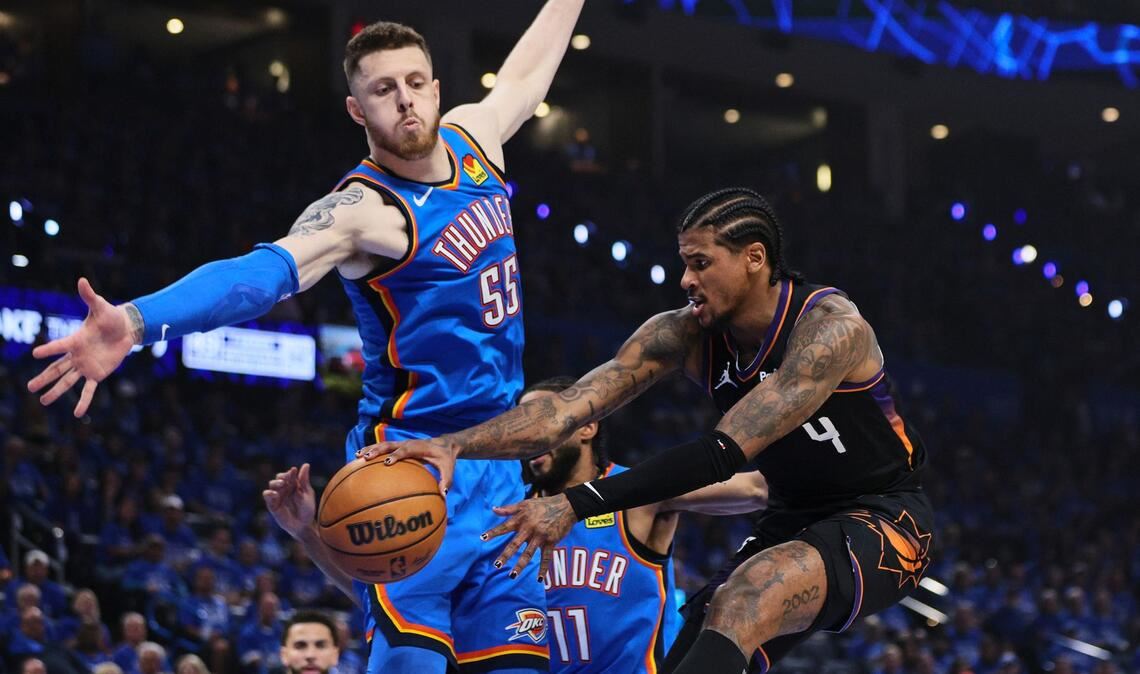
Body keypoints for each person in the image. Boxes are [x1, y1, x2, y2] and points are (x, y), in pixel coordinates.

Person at [29, 6, 585, 672]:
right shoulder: (362, 213)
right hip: (407, 470)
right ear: (357, 110)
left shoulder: (478, 138)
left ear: (438, 87)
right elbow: (263, 273)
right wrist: (142, 320)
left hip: (498, 468)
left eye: (415, 82)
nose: (405, 100)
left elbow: (527, 72)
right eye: (384, 90)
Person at [366, 187, 935, 673]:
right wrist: (453, 445)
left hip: (886, 515)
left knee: (745, 596)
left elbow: (721, 454)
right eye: (683, 262)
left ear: (755, 258)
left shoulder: (830, 330)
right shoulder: (682, 333)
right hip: (792, 515)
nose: (685, 279)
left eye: (701, 263)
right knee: (697, 644)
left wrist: (578, 501)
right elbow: (564, 412)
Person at [518, 376, 768, 672]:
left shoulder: (636, 493)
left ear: (587, 426)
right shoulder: (510, 512)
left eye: (543, 420)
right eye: (521, 424)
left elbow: (757, 489)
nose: (529, 434)